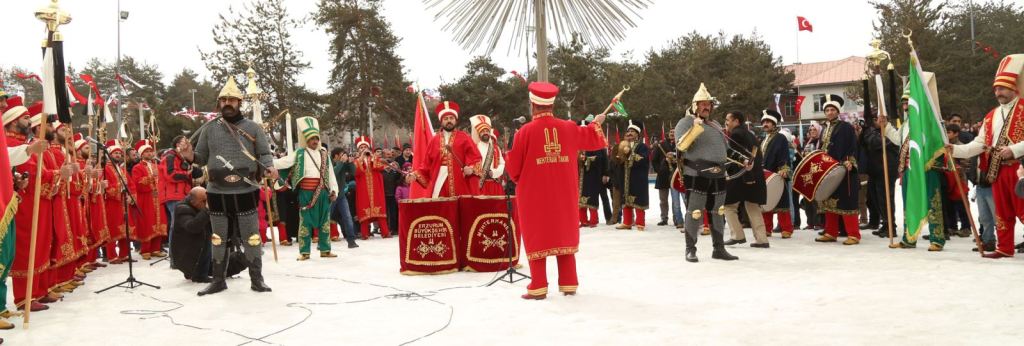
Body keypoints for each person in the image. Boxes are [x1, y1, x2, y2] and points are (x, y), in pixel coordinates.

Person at [506, 81, 607, 300]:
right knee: (564, 234)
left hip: (534, 196)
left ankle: (539, 285)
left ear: (533, 105)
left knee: (537, 234)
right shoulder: (568, 127)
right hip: (564, 194)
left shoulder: (524, 132)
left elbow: (513, 168)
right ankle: (569, 282)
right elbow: (592, 138)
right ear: (551, 105)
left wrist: (516, 175)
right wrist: (596, 124)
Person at [183, 76, 274, 295]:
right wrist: (190, 156)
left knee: (251, 236)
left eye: (232, 100)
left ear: (239, 103)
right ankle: (218, 280)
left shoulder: (253, 128)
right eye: (223, 100)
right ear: (219, 103)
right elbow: (201, 157)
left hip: (245, 189)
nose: (227, 104)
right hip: (217, 190)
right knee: (218, 237)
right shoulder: (209, 128)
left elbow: (264, 153)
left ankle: (257, 279)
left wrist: (270, 167)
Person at [948, 54, 1024, 258]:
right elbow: (978, 145)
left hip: (1020, 169)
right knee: (1002, 212)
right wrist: (954, 150)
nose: (998, 92)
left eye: (1002, 88)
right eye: (996, 89)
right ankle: (1005, 248)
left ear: (1014, 88)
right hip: (997, 171)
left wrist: (1015, 149)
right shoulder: (990, 115)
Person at [674, 83, 739, 262]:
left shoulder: (716, 124)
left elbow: (726, 149)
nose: (706, 107)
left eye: (709, 104)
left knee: (718, 211)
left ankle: (719, 249)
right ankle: (690, 249)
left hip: (718, 173)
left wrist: (744, 160)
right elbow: (681, 146)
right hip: (696, 173)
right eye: (702, 104)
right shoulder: (685, 122)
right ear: (695, 106)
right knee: (695, 212)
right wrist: (695, 128)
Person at [5, 99, 56, 313]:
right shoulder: (8, 143)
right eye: (25, 118)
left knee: (40, 245)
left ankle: (37, 290)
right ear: (13, 121)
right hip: (22, 204)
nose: (29, 121)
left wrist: (54, 176)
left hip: (35, 200)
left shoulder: (23, 143)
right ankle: (24, 297)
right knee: (26, 250)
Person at [273, 117, 339, 261]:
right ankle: (304, 251)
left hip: (323, 192)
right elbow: (283, 163)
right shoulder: (300, 153)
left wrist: (334, 190)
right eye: (311, 139)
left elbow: (331, 174)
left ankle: (325, 249)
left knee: (324, 221)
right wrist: (268, 162)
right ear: (306, 140)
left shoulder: (324, 154)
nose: (315, 141)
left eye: (316, 138)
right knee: (305, 222)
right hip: (306, 193)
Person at [812, 95, 862, 245]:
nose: (829, 112)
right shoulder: (824, 128)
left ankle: (853, 234)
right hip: (828, 170)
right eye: (827, 110)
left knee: (847, 202)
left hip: (843, 169)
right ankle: (830, 232)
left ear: (837, 111)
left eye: (832, 109)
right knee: (829, 201)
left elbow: (852, 146)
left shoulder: (845, 127)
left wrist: (849, 161)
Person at [406, 101, 483, 197]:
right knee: (440, 208)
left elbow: (476, 158)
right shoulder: (434, 140)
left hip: (459, 180)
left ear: (455, 120)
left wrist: (471, 168)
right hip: (439, 180)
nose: (449, 121)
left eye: (451, 118)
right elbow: (426, 164)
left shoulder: (465, 137)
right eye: (445, 119)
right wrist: (415, 175)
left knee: (459, 208)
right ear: (441, 121)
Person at [721, 111, 768, 248]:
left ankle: (737, 235)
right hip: (755, 175)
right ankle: (762, 239)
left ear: (736, 121)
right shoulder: (750, 134)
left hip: (742, 176)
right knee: (752, 206)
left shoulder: (736, 134)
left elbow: (737, 158)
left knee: (728, 206)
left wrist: (729, 174)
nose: (726, 123)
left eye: (727, 120)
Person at [160, 135, 199, 266]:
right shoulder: (170, 156)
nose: (187, 143)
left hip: (182, 194)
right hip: (173, 194)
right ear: (177, 144)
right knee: (176, 226)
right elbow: (170, 175)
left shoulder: (181, 158)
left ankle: (180, 256)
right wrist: (186, 175)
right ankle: (174, 258)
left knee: (180, 226)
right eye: (184, 142)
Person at [757, 110, 794, 239]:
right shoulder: (763, 138)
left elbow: (783, 155)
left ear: (774, 124)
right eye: (764, 122)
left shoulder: (780, 138)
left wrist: (784, 169)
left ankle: (786, 229)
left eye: (768, 122)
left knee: (782, 202)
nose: (765, 124)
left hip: (778, 173)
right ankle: (767, 229)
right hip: (765, 174)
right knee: (766, 202)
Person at [131, 139, 168, 260]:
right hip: (146, 198)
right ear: (141, 154)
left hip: (158, 198)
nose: (149, 153)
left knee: (159, 223)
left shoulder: (155, 165)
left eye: (151, 151)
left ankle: (156, 248)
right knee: (148, 223)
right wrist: (152, 177)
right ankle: (145, 249)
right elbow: (137, 183)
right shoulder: (137, 167)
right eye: (146, 151)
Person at [171, 187, 213, 283]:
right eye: (204, 201)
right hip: (187, 254)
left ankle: (200, 271)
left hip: (193, 250)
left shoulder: (196, 205)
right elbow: (193, 227)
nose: (206, 202)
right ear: (193, 202)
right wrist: (207, 210)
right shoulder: (182, 208)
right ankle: (198, 274)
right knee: (205, 235)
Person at [353, 136, 391, 240]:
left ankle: (385, 232)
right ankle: (365, 233)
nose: (363, 149)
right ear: (358, 150)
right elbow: (356, 172)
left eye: (365, 147)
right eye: (361, 148)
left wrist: (372, 157)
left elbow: (378, 167)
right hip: (363, 189)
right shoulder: (356, 161)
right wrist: (361, 159)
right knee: (364, 208)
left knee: (379, 209)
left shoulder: (374, 158)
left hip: (376, 188)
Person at [614, 120, 650, 231]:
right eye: (628, 131)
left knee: (638, 200)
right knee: (625, 200)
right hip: (624, 177)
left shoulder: (642, 146)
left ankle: (640, 223)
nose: (629, 133)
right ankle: (627, 222)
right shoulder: (622, 145)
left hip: (638, 178)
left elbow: (644, 160)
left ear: (637, 134)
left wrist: (630, 154)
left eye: (632, 131)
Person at [577, 116, 608, 228]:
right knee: (579, 200)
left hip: (592, 175)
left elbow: (599, 158)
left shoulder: (595, 144)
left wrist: (587, 159)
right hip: (578, 176)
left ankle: (594, 219)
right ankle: (583, 220)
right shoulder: (575, 145)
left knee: (591, 197)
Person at [467, 114, 506, 196]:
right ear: (479, 133)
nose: (485, 133)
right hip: (480, 185)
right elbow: (470, 164)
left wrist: (495, 172)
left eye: (487, 131)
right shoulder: (474, 148)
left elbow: (502, 164)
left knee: (497, 208)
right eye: (483, 131)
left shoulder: (496, 148)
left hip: (495, 184)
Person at [651, 129, 680, 227]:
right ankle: (664, 218)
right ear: (668, 134)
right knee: (663, 200)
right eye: (671, 132)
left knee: (675, 200)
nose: (672, 133)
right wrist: (659, 170)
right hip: (663, 175)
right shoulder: (661, 145)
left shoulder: (681, 144)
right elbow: (654, 160)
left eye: (674, 132)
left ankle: (677, 218)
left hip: (676, 175)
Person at [331, 149, 358, 248]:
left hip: (341, 195)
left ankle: (351, 240)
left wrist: (351, 163)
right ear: (336, 156)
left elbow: (354, 173)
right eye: (342, 155)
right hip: (331, 195)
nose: (344, 157)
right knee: (325, 218)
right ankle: (322, 242)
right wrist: (341, 162)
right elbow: (333, 173)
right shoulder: (330, 163)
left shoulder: (343, 164)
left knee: (347, 217)